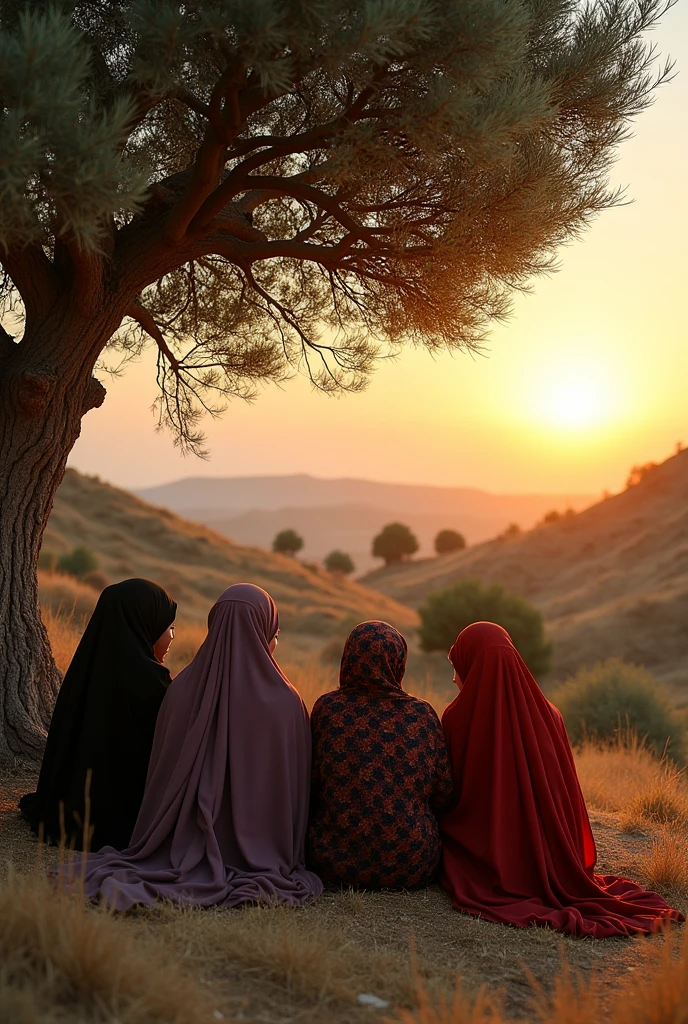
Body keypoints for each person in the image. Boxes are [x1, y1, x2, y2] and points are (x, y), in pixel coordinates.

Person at [64, 583, 323, 910]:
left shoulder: (180, 690)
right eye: (275, 632)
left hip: (174, 848)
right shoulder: (287, 702)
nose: (276, 641)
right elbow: (294, 790)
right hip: (266, 855)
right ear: (263, 631)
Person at [439, 621, 684, 938]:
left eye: (457, 665)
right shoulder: (550, 716)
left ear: (471, 664)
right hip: (555, 854)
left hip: (485, 853)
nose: (454, 676)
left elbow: (453, 797)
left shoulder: (457, 718)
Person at [20, 578, 176, 851]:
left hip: (69, 814)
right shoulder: (153, 682)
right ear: (144, 623)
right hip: (125, 824)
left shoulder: (85, 670)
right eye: (170, 627)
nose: (172, 637)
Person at [307, 620, 454, 889]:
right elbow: (443, 791)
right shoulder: (421, 715)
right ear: (398, 662)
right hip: (413, 863)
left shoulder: (328, 710)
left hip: (332, 860)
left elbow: (312, 783)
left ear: (349, 657)